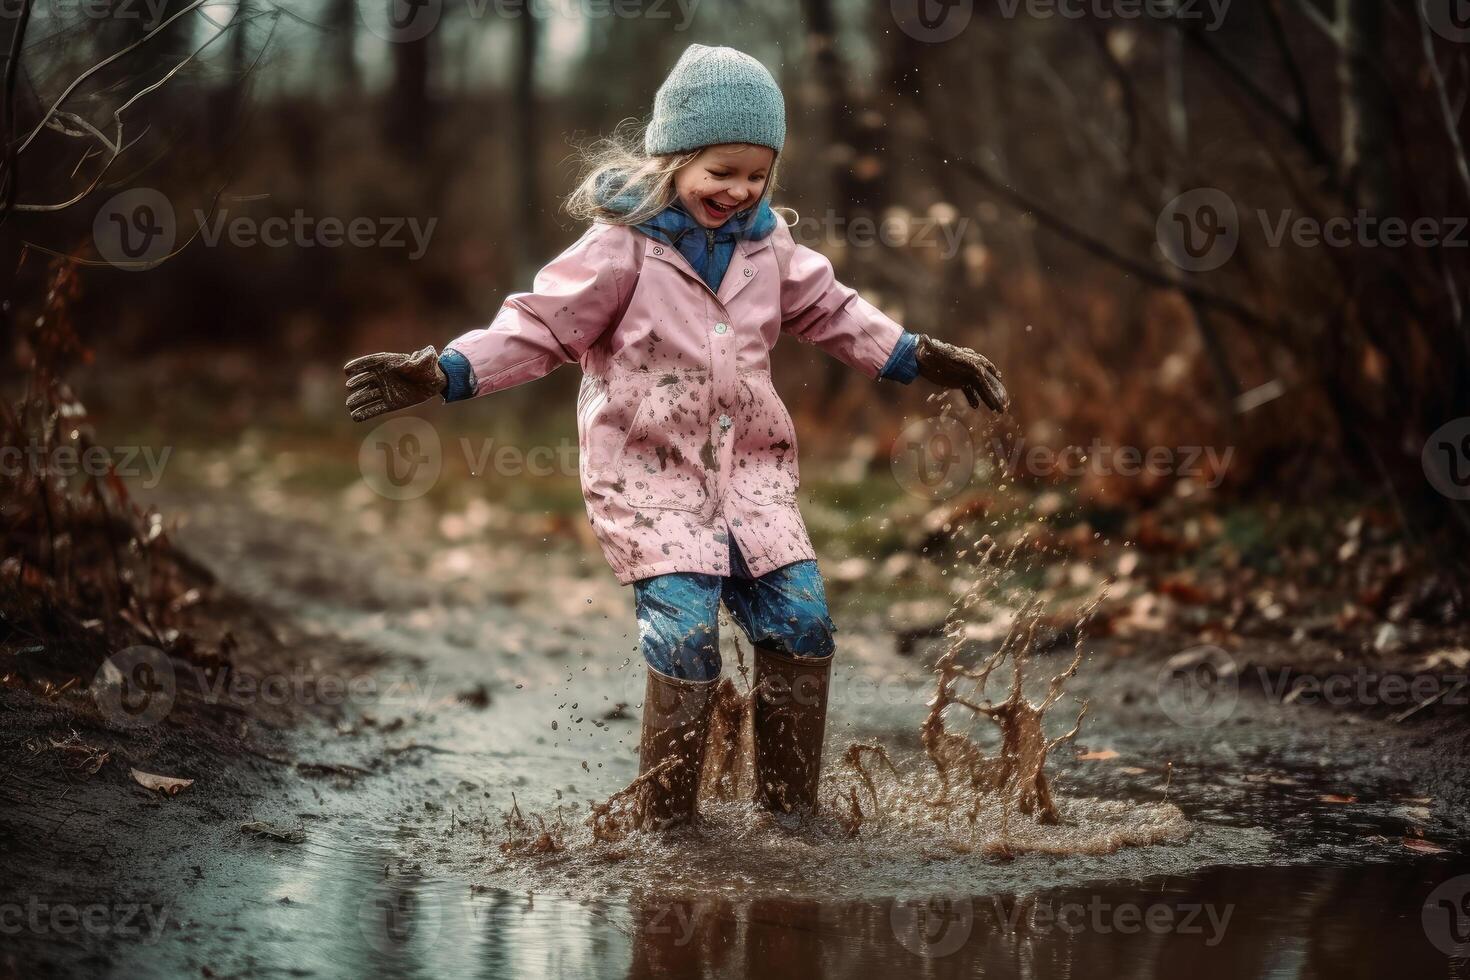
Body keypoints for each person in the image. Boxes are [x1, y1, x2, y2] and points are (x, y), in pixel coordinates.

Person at [343, 44, 1008, 830]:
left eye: (757, 175)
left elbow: (837, 312)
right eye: (720, 171)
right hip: (649, 480)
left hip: (753, 476)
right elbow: (537, 328)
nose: (739, 190)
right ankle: (669, 825)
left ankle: (790, 817)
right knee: (688, 636)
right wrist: (447, 371)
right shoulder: (621, 247)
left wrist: (920, 355)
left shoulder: (770, 248)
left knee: (803, 624)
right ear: (674, 157)